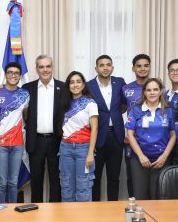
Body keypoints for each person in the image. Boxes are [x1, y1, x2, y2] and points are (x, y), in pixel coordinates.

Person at [125, 78, 176, 200]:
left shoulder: (169, 110)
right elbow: (130, 134)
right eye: (149, 90)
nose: (152, 93)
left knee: (159, 196)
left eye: (155, 89)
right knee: (140, 195)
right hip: (139, 159)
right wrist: (141, 156)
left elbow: (173, 135)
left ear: (160, 92)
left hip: (161, 159)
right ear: (144, 92)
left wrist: (164, 157)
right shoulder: (135, 109)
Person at [22, 55, 63, 203]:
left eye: (48, 66)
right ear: (36, 69)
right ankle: (36, 212)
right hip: (36, 141)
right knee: (36, 180)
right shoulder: (27, 89)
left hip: (56, 141)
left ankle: (56, 213)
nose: (45, 70)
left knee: (56, 180)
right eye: (41, 67)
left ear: (52, 67)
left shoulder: (63, 87)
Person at [88, 55, 126, 201]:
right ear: (96, 68)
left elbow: (124, 104)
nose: (105, 67)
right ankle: (95, 209)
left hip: (116, 136)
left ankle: (113, 208)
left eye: (108, 64)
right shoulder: (89, 85)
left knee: (114, 177)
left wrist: (114, 116)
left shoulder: (120, 82)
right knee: (95, 178)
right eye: (102, 65)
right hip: (97, 137)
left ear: (112, 67)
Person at [0, 62, 29, 203]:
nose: (13, 75)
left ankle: (12, 213)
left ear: (20, 76)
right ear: (5, 74)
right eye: (10, 72)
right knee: (1, 183)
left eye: (16, 73)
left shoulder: (25, 94)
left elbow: (29, 114)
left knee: (13, 183)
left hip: (18, 144)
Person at [58, 71, 98, 202]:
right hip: (65, 149)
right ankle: (67, 221)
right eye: (72, 82)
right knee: (66, 186)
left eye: (78, 81)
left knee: (83, 186)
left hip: (84, 149)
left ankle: (83, 221)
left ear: (83, 84)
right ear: (68, 85)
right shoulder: (64, 103)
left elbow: (95, 129)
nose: (75, 85)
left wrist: (90, 153)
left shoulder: (90, 103)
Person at [122, 53, 151, 197]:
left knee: (154, 182)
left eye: (146, 66)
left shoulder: (158, 88)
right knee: (132, 178)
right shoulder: (126, 89)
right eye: (139, 66)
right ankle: (133, 208)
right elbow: (120, 110)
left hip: (155, 142)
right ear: (133, 68)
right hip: (132, 141)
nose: (142, 69)